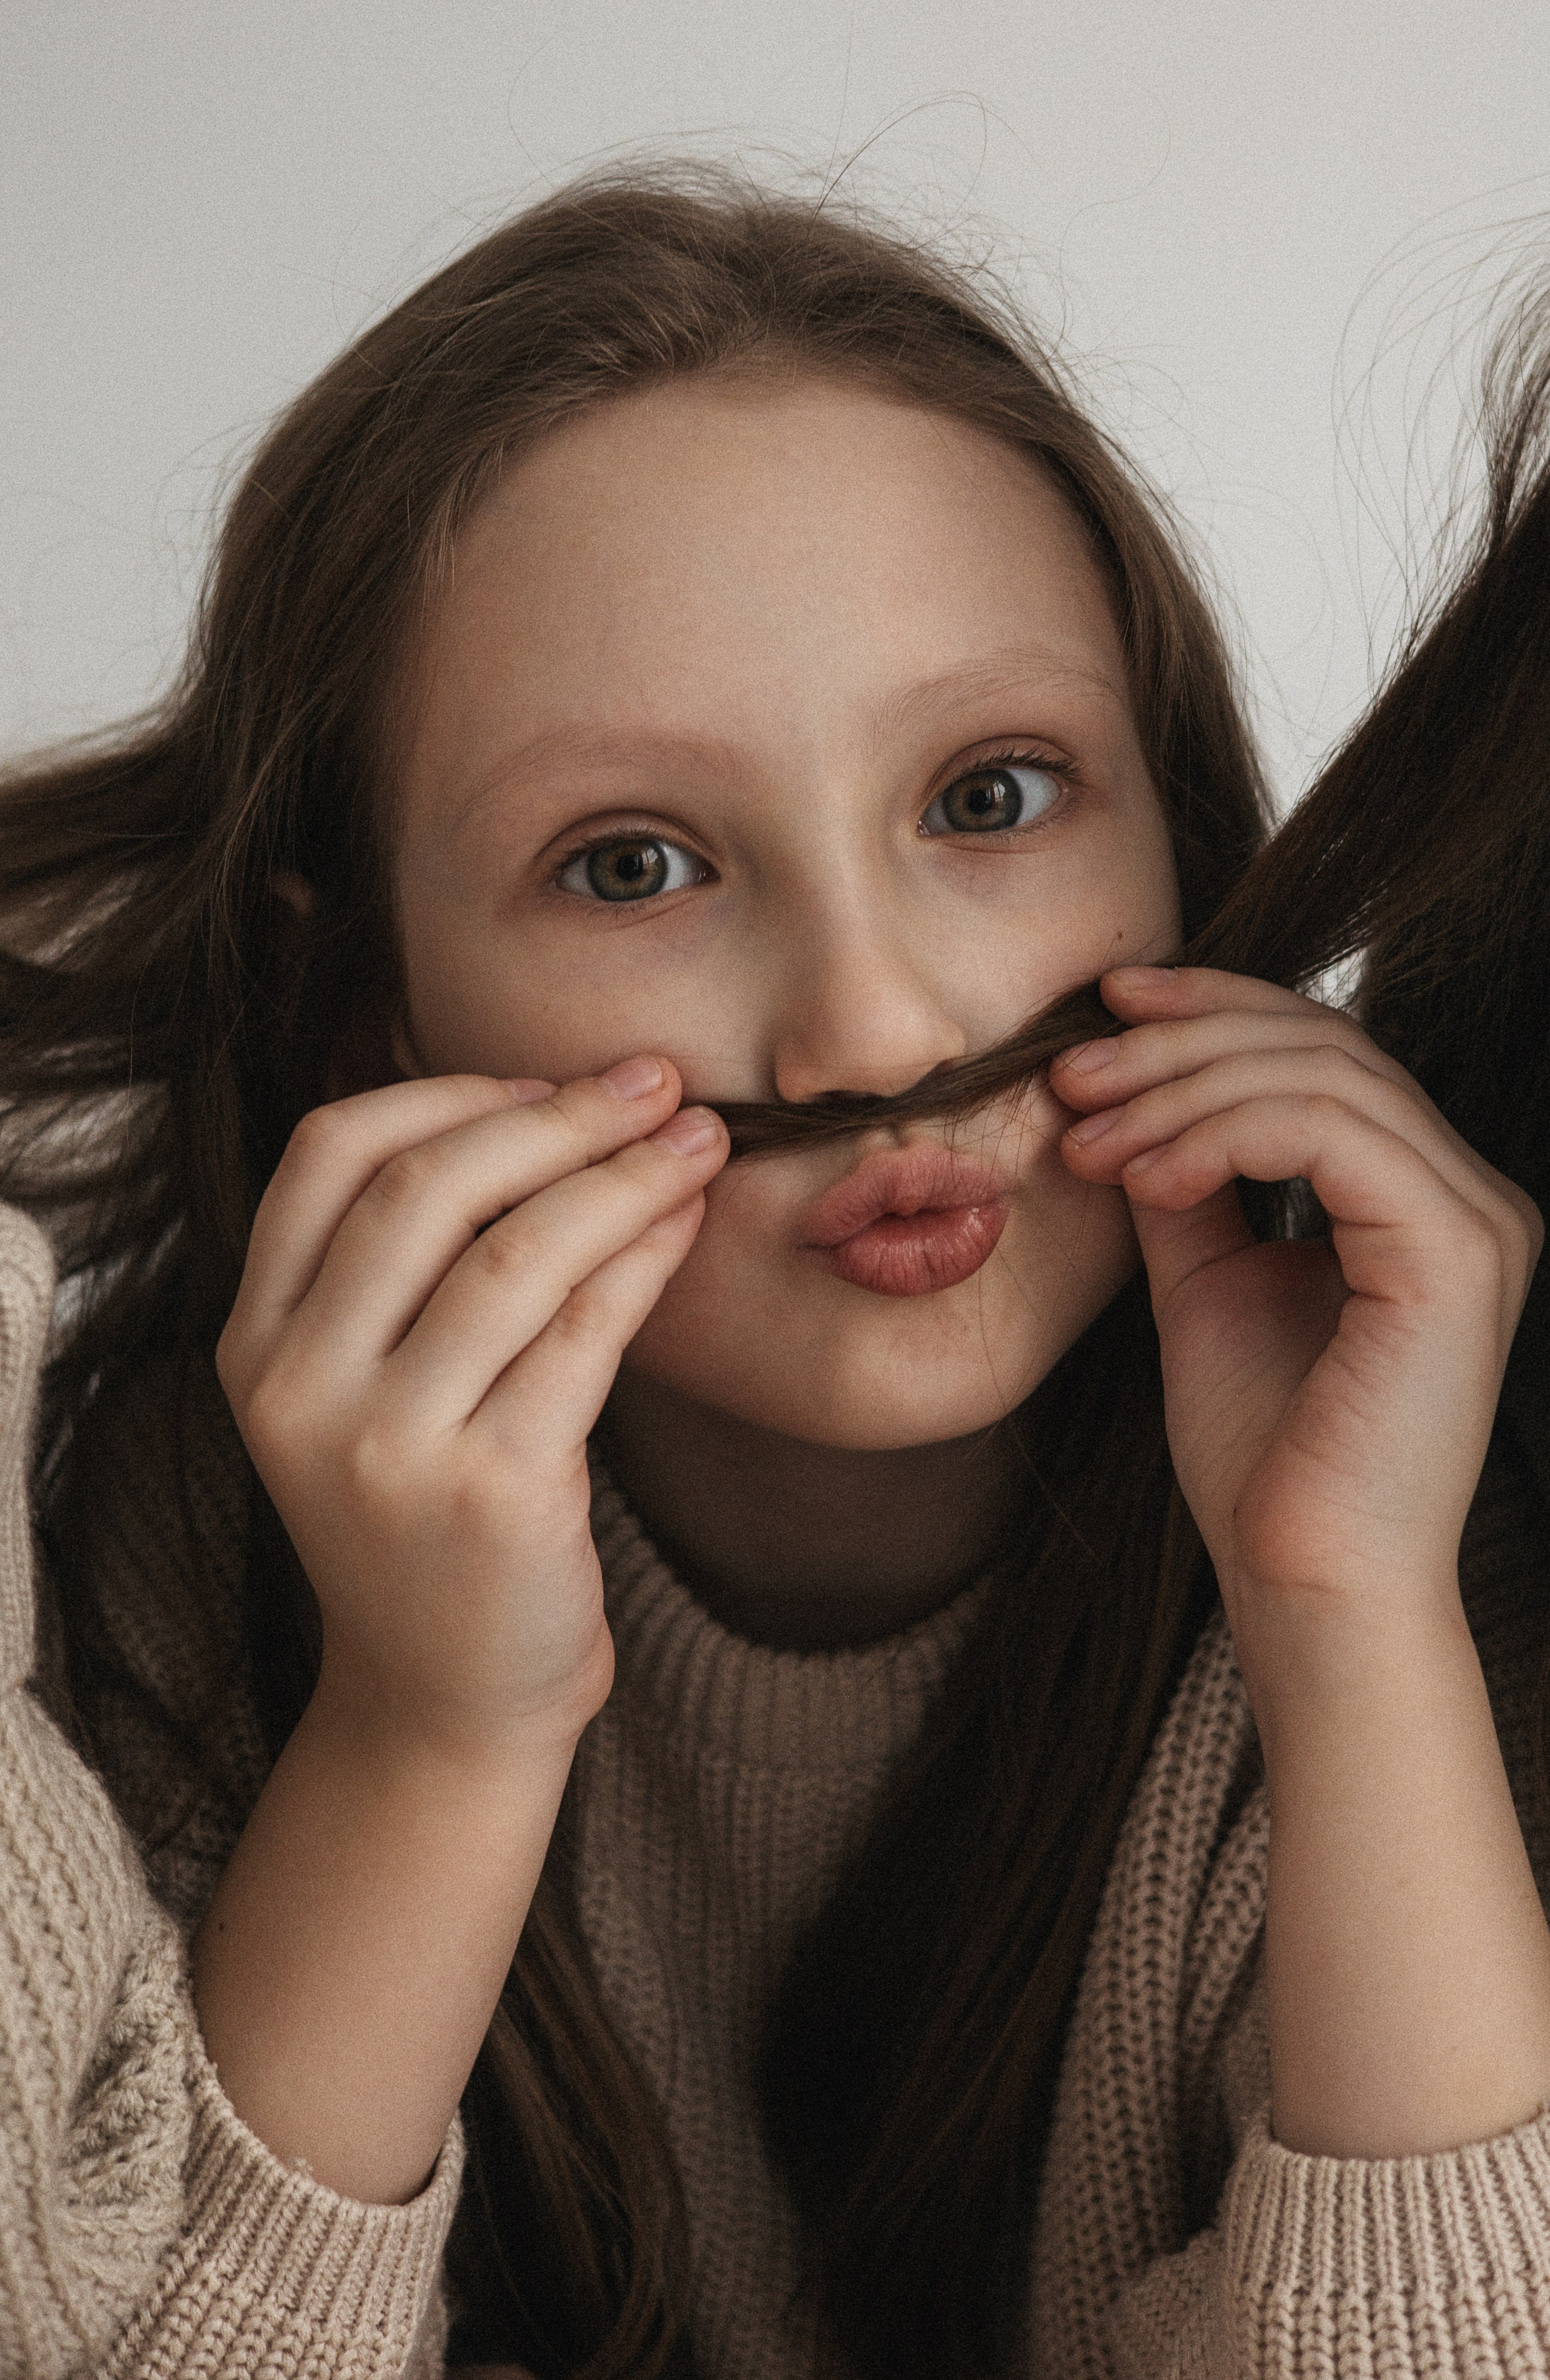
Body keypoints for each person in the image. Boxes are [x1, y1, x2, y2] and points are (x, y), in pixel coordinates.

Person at [1, 168, 1548, 2380]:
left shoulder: (1427, 1539)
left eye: (994, 797)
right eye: (636, 863)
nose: (880, 1033)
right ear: (373, 1025)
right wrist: (430, 1734)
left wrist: (1350, 1615)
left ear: (1193, 860)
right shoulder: (179, 1567)